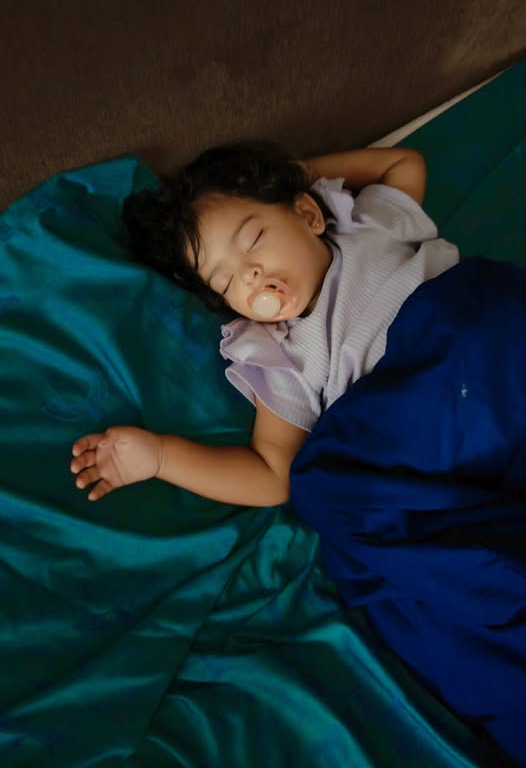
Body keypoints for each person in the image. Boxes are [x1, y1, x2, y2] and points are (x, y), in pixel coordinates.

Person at [70, 140, 459, 505]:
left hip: (466, 332)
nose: (248, 275)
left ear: (307, 214)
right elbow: (274, 475)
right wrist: (160, 457)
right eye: (225, 281)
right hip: (427, 420)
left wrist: (295, 173)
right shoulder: (280, 353)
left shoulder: (367, 226)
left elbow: (403, 163)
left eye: (253, 240)